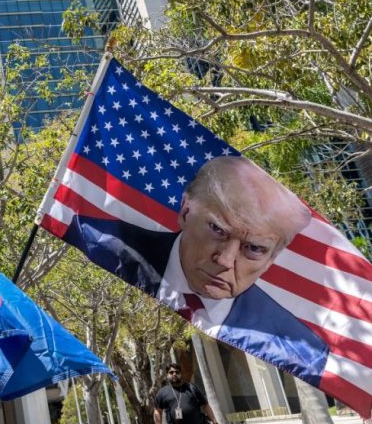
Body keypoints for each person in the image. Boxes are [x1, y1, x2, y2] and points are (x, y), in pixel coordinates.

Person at [63, 156, 326, 383]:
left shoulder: (303, 347)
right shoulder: (100, 239)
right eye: (217, 230)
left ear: (272, 259)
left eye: (254, 248)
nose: (225, 260)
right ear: (186, 210)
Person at [154, 363, 220, 424]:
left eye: (177, 372)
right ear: (167, 374)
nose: (174, 374)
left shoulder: (192, 388)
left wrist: (215, 423)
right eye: (171, 372)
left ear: (180, 374)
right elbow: (158, 411)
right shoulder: (162, 393)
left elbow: (206, 405)